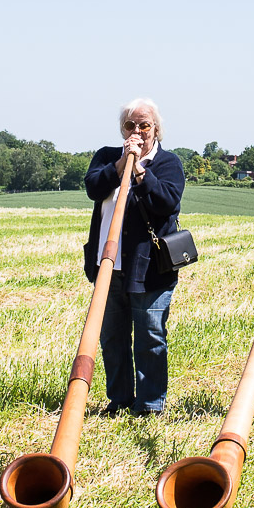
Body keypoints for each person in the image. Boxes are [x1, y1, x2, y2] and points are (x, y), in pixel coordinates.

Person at [83, 98, 186, 416]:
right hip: (108, 265)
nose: (138, 131)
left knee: (150, 334)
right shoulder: (106, 156)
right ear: (122, 129)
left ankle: (151, 404)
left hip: (151, 268)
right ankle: (119, 399)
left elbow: (166, 202)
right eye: (131, 125)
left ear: (157, 129)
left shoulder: (169, 163)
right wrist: (121, 165)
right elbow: (93, 187)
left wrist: (139, 170)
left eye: (145, 125)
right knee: (112, 336)